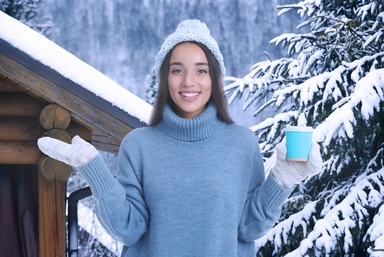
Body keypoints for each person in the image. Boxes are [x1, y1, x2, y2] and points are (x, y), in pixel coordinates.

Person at [38, 19, 322, 256]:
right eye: (177, 70)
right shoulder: (139, 145)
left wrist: (281, 180)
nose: (189, 81)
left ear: (214, 79)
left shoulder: (241, 144)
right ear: (165, 78)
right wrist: (94, 168)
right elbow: (127, 228)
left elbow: (248, 227)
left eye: (201, 70)